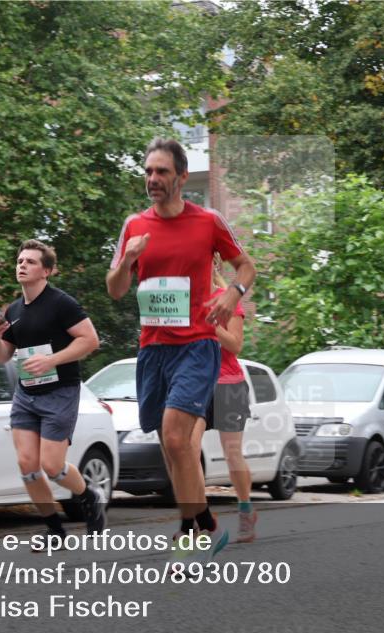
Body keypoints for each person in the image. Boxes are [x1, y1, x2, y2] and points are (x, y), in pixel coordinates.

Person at [106, 137, 256, 564]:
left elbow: (247, 267)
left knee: (176, 434)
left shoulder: (208, 221)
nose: (153, 179)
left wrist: (232, 294)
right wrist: (126, 260)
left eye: (162, 172)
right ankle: (205, 520)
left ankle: (189, 537)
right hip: (153, 349)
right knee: (170, 445)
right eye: (149, 172)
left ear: (182, 177)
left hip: (196, 345)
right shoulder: (134, 226)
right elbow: (115, 290)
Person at [0, 239, 106, 548]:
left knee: (52, 467)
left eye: (30, 261)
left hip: (60, 392)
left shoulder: (61, 303)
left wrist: (52, 359)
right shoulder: (13, 309)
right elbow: (3, 356)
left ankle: (88, 497)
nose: (22, 265)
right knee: (27, 465)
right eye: (20, 260)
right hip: (26, 394)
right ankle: (54, 530)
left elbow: (90, 340)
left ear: (47, 271)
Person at [190, 268, 256, 542]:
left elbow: (236, 345)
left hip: (228, 385)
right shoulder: (185, 301)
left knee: (232, 454)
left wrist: (212, 325)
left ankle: (245, 510)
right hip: (196, 385)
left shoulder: (226, 300)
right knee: (188, 451)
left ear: (210, 266)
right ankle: (199, 517)